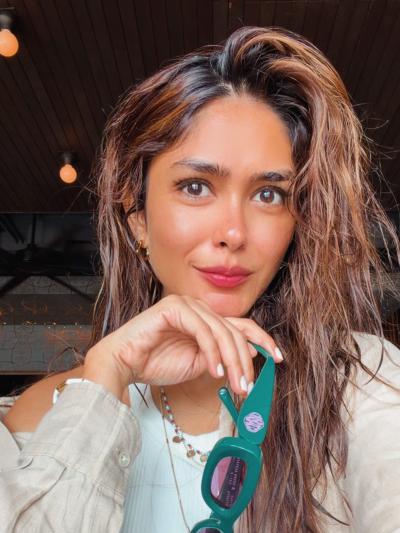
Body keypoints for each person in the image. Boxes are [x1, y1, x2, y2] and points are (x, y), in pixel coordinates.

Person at [0, 25, 399, 533]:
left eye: (269, 195)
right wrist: (107, 375)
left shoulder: (362, 384)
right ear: (137, 216)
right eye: (195, 187)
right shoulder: (38, 419)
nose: (234, 233)